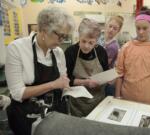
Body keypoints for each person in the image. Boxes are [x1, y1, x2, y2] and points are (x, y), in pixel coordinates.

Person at [5, 6, 75, 135]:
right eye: (59, 36)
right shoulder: (17, 48)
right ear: (43, 30)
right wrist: (54, 84)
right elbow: (18, 94)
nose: (62, 41)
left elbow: (63, 80)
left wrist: (66, 87)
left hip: (53, 113)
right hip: (26, 115)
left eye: (65, 36)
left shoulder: (58, 52)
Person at [115, 7, 150, 105]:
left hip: (149, 101)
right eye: (138, 28)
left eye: (145, 28)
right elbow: (119, 74)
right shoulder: (126, 47)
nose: (141, 32)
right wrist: (117, 96)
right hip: (126, 99)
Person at [65, 18, 108, 117]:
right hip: (77, 104)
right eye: (83, 41)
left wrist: (107, 80)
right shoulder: (70, 52)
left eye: (91, 42)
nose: (86, 46)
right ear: (79, 36)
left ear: (96, 41)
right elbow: (66, 80)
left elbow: (106, 75)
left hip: (98, 101)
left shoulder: (101, 52)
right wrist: (85, 82)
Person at [97, 16, 124, 96]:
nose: (111, 29)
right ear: (106, 25)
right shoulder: (100, 38)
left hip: (106, 78)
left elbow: (104, 64)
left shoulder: (113, 46)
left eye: (115, 29)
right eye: (110, 26)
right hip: (99, 74)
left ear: (118, 31)